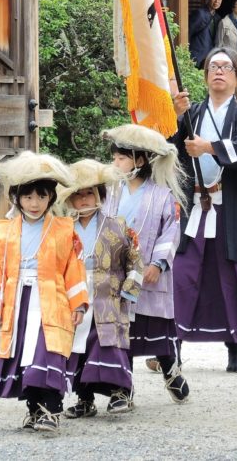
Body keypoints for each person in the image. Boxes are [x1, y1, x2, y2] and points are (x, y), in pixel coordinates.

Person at [171, 47, 237, 373]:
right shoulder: (193, 112)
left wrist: (209, 147)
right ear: (206, 75)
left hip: (230, 207)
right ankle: (173, 348)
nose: (219, 72)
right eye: (213, 66)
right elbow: (170, 150)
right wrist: (175, 116)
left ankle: (235, 349)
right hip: (195, 205)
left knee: (230, 277)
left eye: (226, 67)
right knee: (181, 274)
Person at [0, 150, 86, 434]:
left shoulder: (64, 229)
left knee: (47, 351)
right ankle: (33, 410)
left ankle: (51, 410)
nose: (34, 203)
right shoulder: (5, 230)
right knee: (22, 355)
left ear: (51, 198)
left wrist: (78, 303)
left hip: (52, 299)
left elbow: (73, 267)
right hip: (18, 301)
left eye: (41, 196)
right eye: (27, 197)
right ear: (17, 198)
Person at [101, 123, 190, 402]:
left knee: (156, 333)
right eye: (114, 157)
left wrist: (158, 264)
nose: (115, 163)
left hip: (150, 274)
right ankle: (122, 390)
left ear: (139, 160)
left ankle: (170, 370)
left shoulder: (162, 195)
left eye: (121, 158)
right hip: (117, 274)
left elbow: (171, 231)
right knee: (119, 335)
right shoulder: (110, 192)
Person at [61, 159, 143, 419]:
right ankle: (84, 399)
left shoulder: (117, 225)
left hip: (109, 295)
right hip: (76, 295)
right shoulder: (63, 228)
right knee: (78, 347)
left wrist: (129, 289)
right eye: (78, 194)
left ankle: (121, 393)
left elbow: (135, 259)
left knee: (110, 344)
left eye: (89, 193)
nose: (83, 200)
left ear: (99, 194)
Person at [188, 0, 223, 67]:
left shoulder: (218, 17)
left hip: (209, 58)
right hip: (196, 56)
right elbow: (188, 32)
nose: (217, 1)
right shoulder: (200, 13)